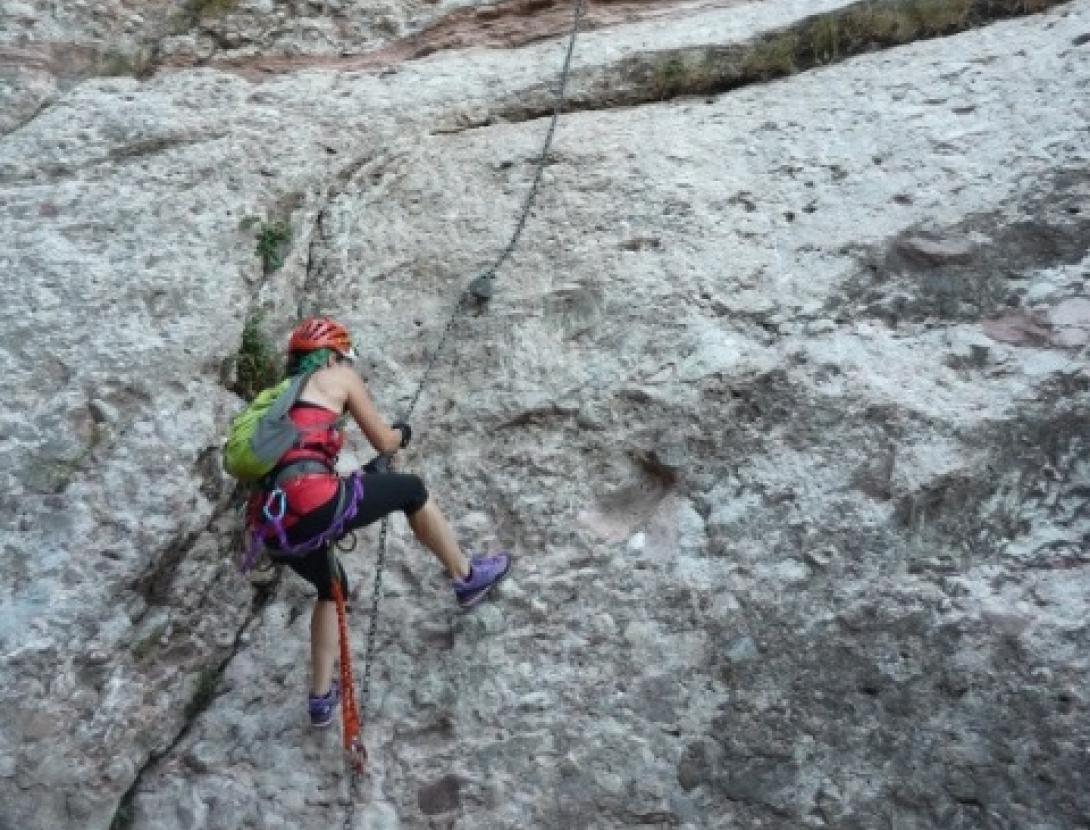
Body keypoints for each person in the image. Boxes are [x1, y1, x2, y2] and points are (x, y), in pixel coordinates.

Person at [246, 317, 510, 727]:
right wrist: (401, 435)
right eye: (342, 358)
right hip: (313, 501)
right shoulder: (338, 376)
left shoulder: (278, 400)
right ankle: (467, 577)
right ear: (332, 356)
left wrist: (368, 474)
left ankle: (320, 698)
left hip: (273, 524)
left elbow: (297, 465)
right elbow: (384, 440)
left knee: (331, 587)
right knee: (411, 490)